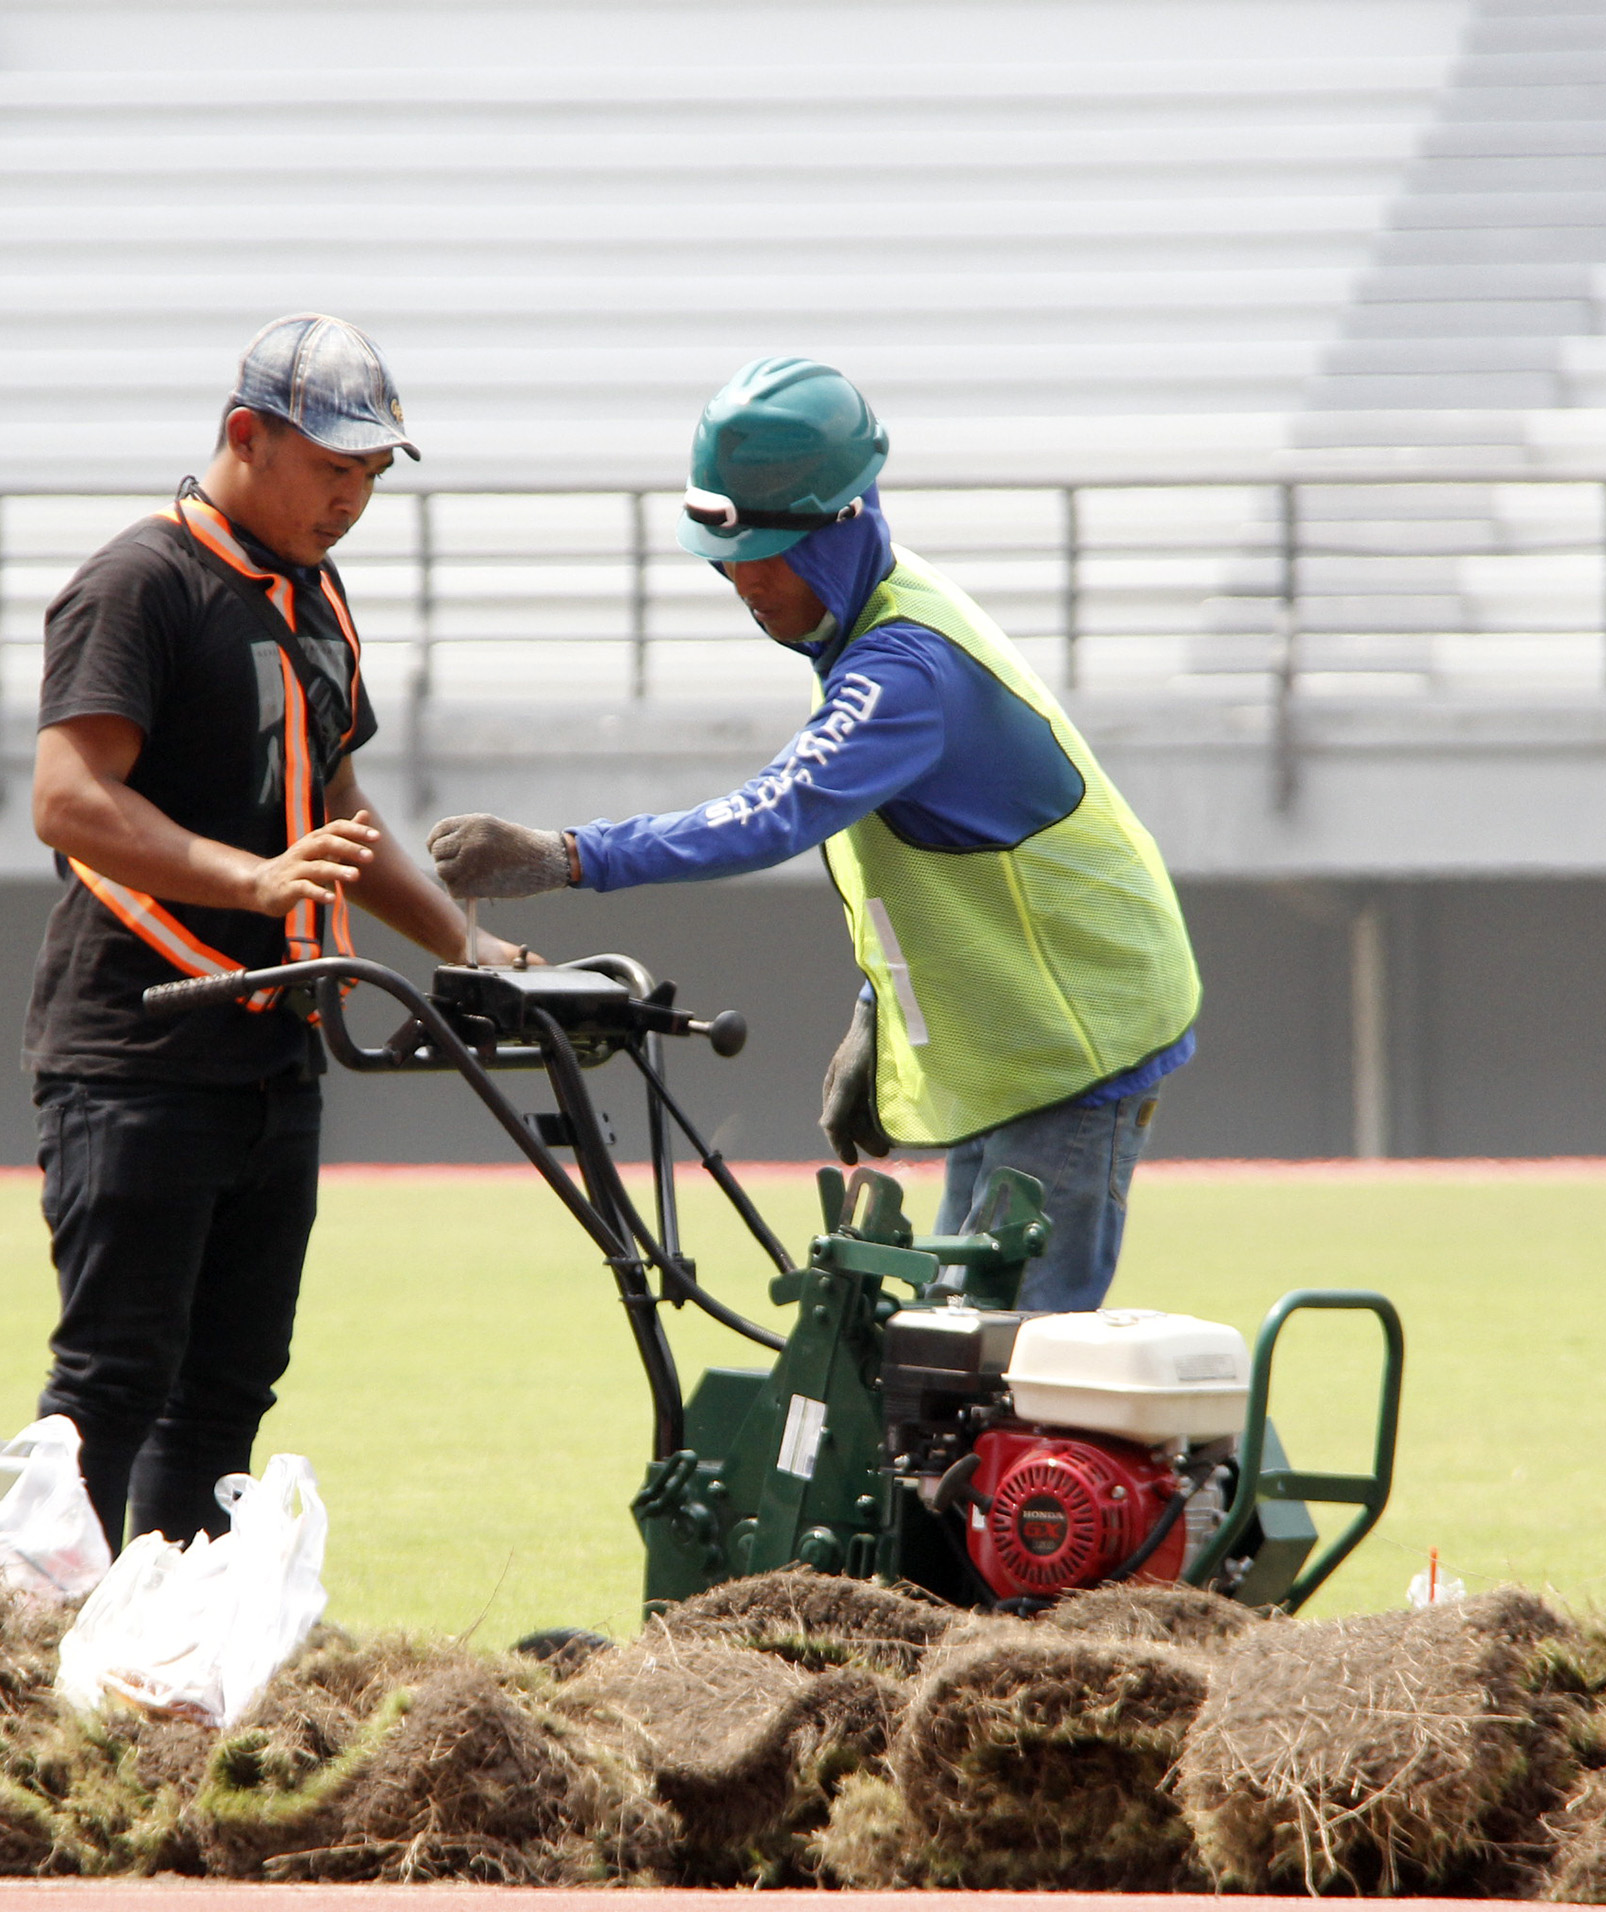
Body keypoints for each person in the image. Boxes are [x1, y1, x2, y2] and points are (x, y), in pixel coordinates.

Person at [429, 357, 1200, 1312]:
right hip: (1030, 1045)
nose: (744, 582)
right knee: (955, 1343)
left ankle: (1222, 1466)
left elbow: (769, 815)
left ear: (841, 526)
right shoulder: (862, 619)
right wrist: (878, 1019)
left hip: (1077, 1042)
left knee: (1012, 1360)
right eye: (727, 555)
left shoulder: (902, 667)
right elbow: (917, 861)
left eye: (765, 552)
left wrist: (566, 854)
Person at [25, 314, 518, 1549]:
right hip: (139, 1054)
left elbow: (340, 810)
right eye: (333, 470)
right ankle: (51, 1679)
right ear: (245, 436)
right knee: (112, 1390)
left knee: (228, 1396)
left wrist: (468, 946)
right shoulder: (138, 582)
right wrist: (251, 884)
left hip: (273, 1057)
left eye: (371, 478)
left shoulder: (315, 594)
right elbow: (68, 801)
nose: (353, 501)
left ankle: (179, 1667)